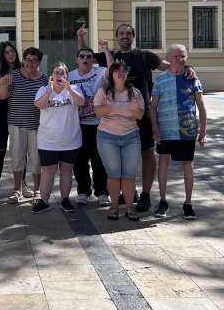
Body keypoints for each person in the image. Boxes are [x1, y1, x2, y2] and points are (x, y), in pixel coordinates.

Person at [77, 23, 196, 213]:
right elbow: (85, 57)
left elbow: (170, 66)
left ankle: (146, 195)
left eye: (128, 33)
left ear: (133, 36)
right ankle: (124, 193)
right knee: (120, 156)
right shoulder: (110, 55)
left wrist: (187, 67)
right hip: (116, 116)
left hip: (141, 113)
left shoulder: (144, 56)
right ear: (117, 36)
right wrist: (80, 38)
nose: (124, 36)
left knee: (147, 154)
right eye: (121, 33)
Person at [150, 44, 207, 220]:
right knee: (163, 163)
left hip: (186, 129)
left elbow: (201, 106)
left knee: (187, 164)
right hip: (165, 130)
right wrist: (155, 129)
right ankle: (163, 201)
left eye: (182, 56)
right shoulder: (160, 80)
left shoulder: (192, 79)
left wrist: (203, 131)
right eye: (175, 56)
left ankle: (188, 203)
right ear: (168, 58)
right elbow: (153, 107)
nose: (179, 59)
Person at [0, 46, 47, 204]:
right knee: (17, 159)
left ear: (39, 62)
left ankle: (37, 191)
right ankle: (17, 190)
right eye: (27, 60)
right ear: (23, 60)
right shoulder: (14, 75)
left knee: (36, 160)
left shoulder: (44, 79)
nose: (30, 63)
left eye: (34, 60)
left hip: (38, 127)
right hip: (16, 125)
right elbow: (2, 96)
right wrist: (3, 83)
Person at [94, 62, 145, 221]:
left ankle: (130, 207)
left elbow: (140, 116)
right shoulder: (103, 91)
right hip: (107, 137)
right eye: (117, 71)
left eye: (124, 70)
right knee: (114, 174)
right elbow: (98, 113)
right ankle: (114, 207)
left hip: (131, 137)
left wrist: (133, 109)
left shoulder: (135, 92)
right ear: (111, 74)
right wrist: (111, 107)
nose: (121, 73)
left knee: (129, 175)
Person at [31, 63, 85, 214]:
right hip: (48, 141)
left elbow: (81, 102)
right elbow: (39, 105)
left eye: (63, 73)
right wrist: (49, 91)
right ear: (52, 76)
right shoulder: (43, 89)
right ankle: (44, 200)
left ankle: (65, 199)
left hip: (70, 140)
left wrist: (68, 88)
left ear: (67, 77)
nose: (60, 76)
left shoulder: (73, 89)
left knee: (67, 170)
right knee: (48, 171)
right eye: (57, 73)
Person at [68, 47, 109, 206]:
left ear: (93, 60)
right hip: (77, 125)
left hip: (98, 125)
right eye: (82, 56)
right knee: (79, 161)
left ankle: (102, 192)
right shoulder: (70, 75)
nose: (85, 58)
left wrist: (105, 51)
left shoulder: (101, 72)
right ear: (77, 59)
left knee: (99, 160)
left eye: (89, 56)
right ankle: (83, 191)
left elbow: (113, 70)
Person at [0, 41, 22, 201]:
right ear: (3, 55)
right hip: (3, 112)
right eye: (7, 52)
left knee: (21, 150)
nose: (11, 54)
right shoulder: (0, 69)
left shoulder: (22, 68)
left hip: (20, 112)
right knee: (1, 149)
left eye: (12, 51)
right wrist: (1, 81)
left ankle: (22, 185)